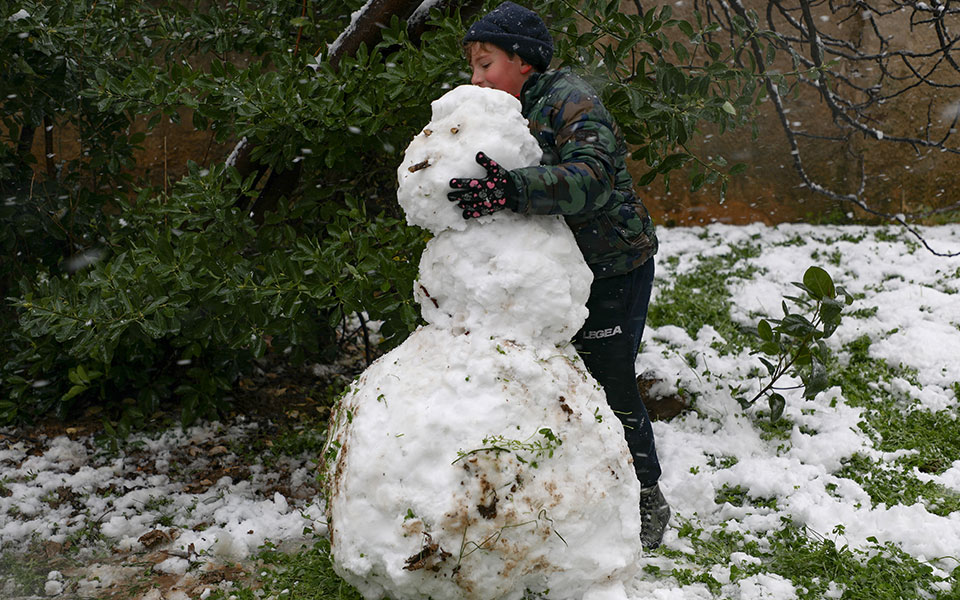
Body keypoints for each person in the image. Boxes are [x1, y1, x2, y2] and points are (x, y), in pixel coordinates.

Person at [446, 1, 671, 550]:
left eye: (486, 63)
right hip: (553, 273)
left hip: (613, 266)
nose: (475, 78)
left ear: (524, 62)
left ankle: (646, 496)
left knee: (609, 382)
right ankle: (569, 492)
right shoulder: (497, 109)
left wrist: (512, 188)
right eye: (472, 67)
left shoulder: (569, 101)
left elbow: (589, 178)